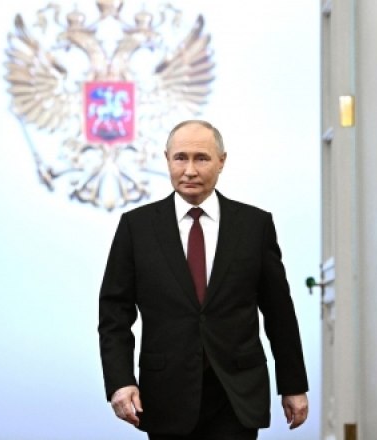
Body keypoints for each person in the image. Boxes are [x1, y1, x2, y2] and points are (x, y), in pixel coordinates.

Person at [98, 120, 309, 439]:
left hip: (236, 393)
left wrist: (293, 384)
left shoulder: (254, 225)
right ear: (166, 159)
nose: (190, 170)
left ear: (222, 161)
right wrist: (120, 381)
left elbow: (279, 311)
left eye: (202, 158)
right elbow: (114, 313)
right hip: (166, 394)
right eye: (180, 158)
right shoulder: (136, 227)